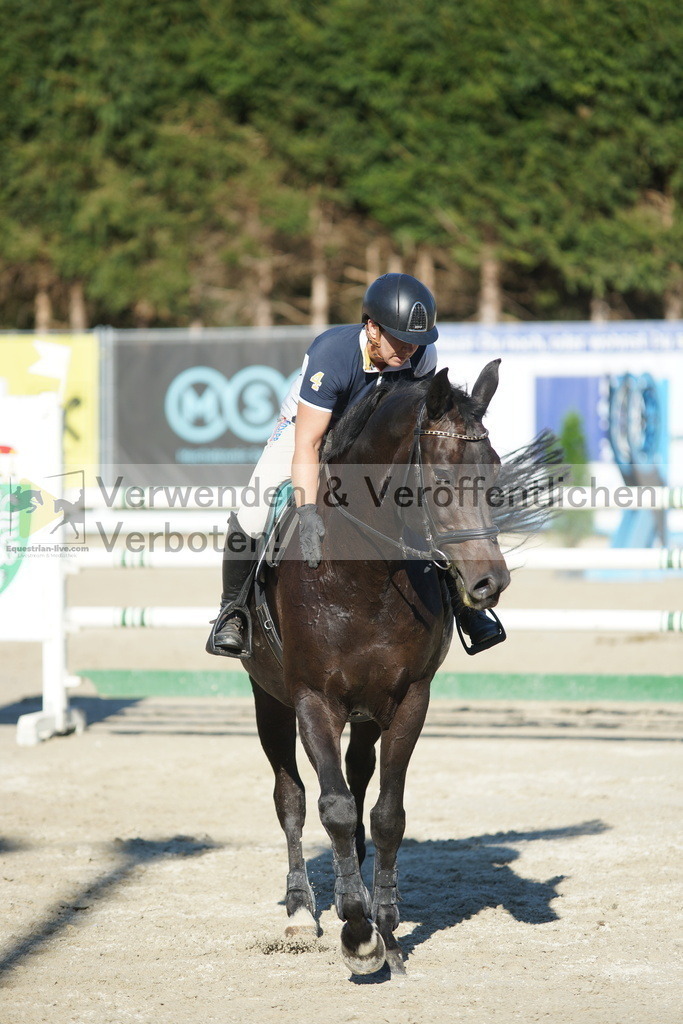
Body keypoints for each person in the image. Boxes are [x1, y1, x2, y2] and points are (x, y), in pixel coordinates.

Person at [206, 272, 505, 657]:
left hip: (371, 441)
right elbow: (310, 443)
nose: (409, 350)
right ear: (372, 328)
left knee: (430, 506)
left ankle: (463, 608)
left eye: (416, 342)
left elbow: (418, 425)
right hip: (311, 430)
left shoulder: (420, 354)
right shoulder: (332, 354)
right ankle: (232, 611)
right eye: (399, 339)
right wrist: (309, 510)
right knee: (251, 513)